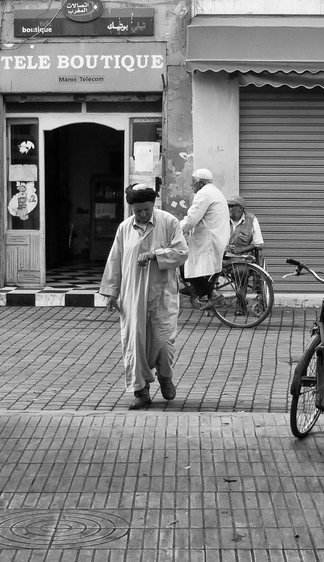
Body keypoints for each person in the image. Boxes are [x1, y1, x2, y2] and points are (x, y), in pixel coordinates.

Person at [100, 184, 189, 409]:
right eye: (137, 210)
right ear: (131, 208)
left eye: (146, 210)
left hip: (162, 295)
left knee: (163, 341)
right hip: (132, 296)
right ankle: (141, 391)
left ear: (153, 205)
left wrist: (155, 255)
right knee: (135, 343)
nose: (142, 214)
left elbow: (181, 253)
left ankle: (165, 377)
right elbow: (115, 261)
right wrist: (112, 292)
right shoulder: (124, 228)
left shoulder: (169, 222)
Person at [179, 167, 230, 305]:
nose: (191, 186)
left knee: (187, 266)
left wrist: (177, 229)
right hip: (216, 237)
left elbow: (191, 219)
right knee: (192, 268)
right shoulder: (215, 192)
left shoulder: (203, 194)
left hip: (209, 240)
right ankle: (196, 290)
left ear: (200, 183)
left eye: (193, 182)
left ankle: (213, 294)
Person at [226, 195, 265, 261]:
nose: (229, 208)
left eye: (231, 206)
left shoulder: (251, 220)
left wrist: (241, 249)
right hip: (225, 257)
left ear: (240, 208)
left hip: (244, 259)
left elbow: (258, 243)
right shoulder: (223, 219)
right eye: (228, 206)